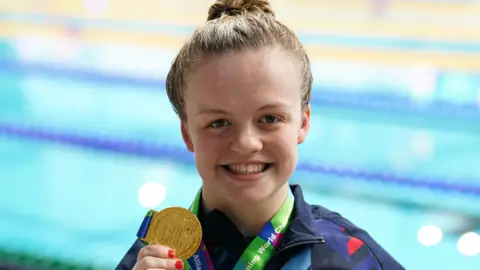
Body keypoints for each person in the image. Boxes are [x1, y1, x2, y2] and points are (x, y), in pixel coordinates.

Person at [116, 0, 405, 269]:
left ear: (303, 123)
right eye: (218, 122)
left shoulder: (354, 258)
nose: (246, 143)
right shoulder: (152, 255)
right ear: (187, 133)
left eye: (269, 118)